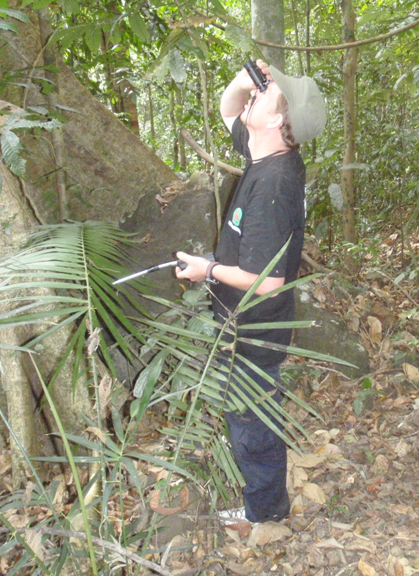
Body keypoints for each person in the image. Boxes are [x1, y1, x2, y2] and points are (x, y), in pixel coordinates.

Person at [175, 60, 326, 525]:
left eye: (266, 94)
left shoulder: (274, 184)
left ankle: (265, 512)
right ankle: (265, 499)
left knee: (252, 425)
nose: (256, 94)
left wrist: (207, 270)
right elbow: (229, 109)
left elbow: (269, 278)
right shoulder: (266, 153)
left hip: (254, 331)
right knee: (249, 418)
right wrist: (246, 82)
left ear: (278, 120)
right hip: (246, 324)